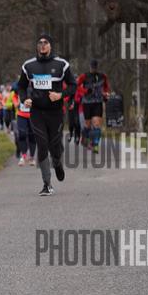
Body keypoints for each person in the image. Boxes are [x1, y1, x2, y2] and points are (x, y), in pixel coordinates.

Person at [17, 34, 76, 196]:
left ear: (51, 46)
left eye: (46, 42)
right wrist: (25, 98)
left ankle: (57, 162)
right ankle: (47, 184)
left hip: (55, 112)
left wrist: (60, 95)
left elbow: (73, 85)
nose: (42, 45)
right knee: (42, 144)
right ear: (37, 46)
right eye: (40, 42)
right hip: (37, 112)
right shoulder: (28, 66)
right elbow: (21, 86)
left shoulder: (61, 64)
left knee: (54, 145)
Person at [77, 59, 110, 153]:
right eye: (92, 67)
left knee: (96, 124)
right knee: (87, 125)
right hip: (87, 103)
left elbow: (106, 87)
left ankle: (95, 145)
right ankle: (84, 137)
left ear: (97, 67)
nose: (93, 69)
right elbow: (76, 86)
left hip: (97, 102)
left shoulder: (103, 76)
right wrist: (85, 91)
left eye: (95, 67)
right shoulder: (84, 76)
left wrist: (106, 94)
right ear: (90, 67)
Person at [13, 86, 36, 166]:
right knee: (22, 134)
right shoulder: (19, 87)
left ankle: (32, 157)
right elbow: (15, 97)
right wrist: (17, 102)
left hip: (33, 115)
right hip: (21, 115)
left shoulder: (34, 86)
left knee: (32, 136)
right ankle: (23, 156)